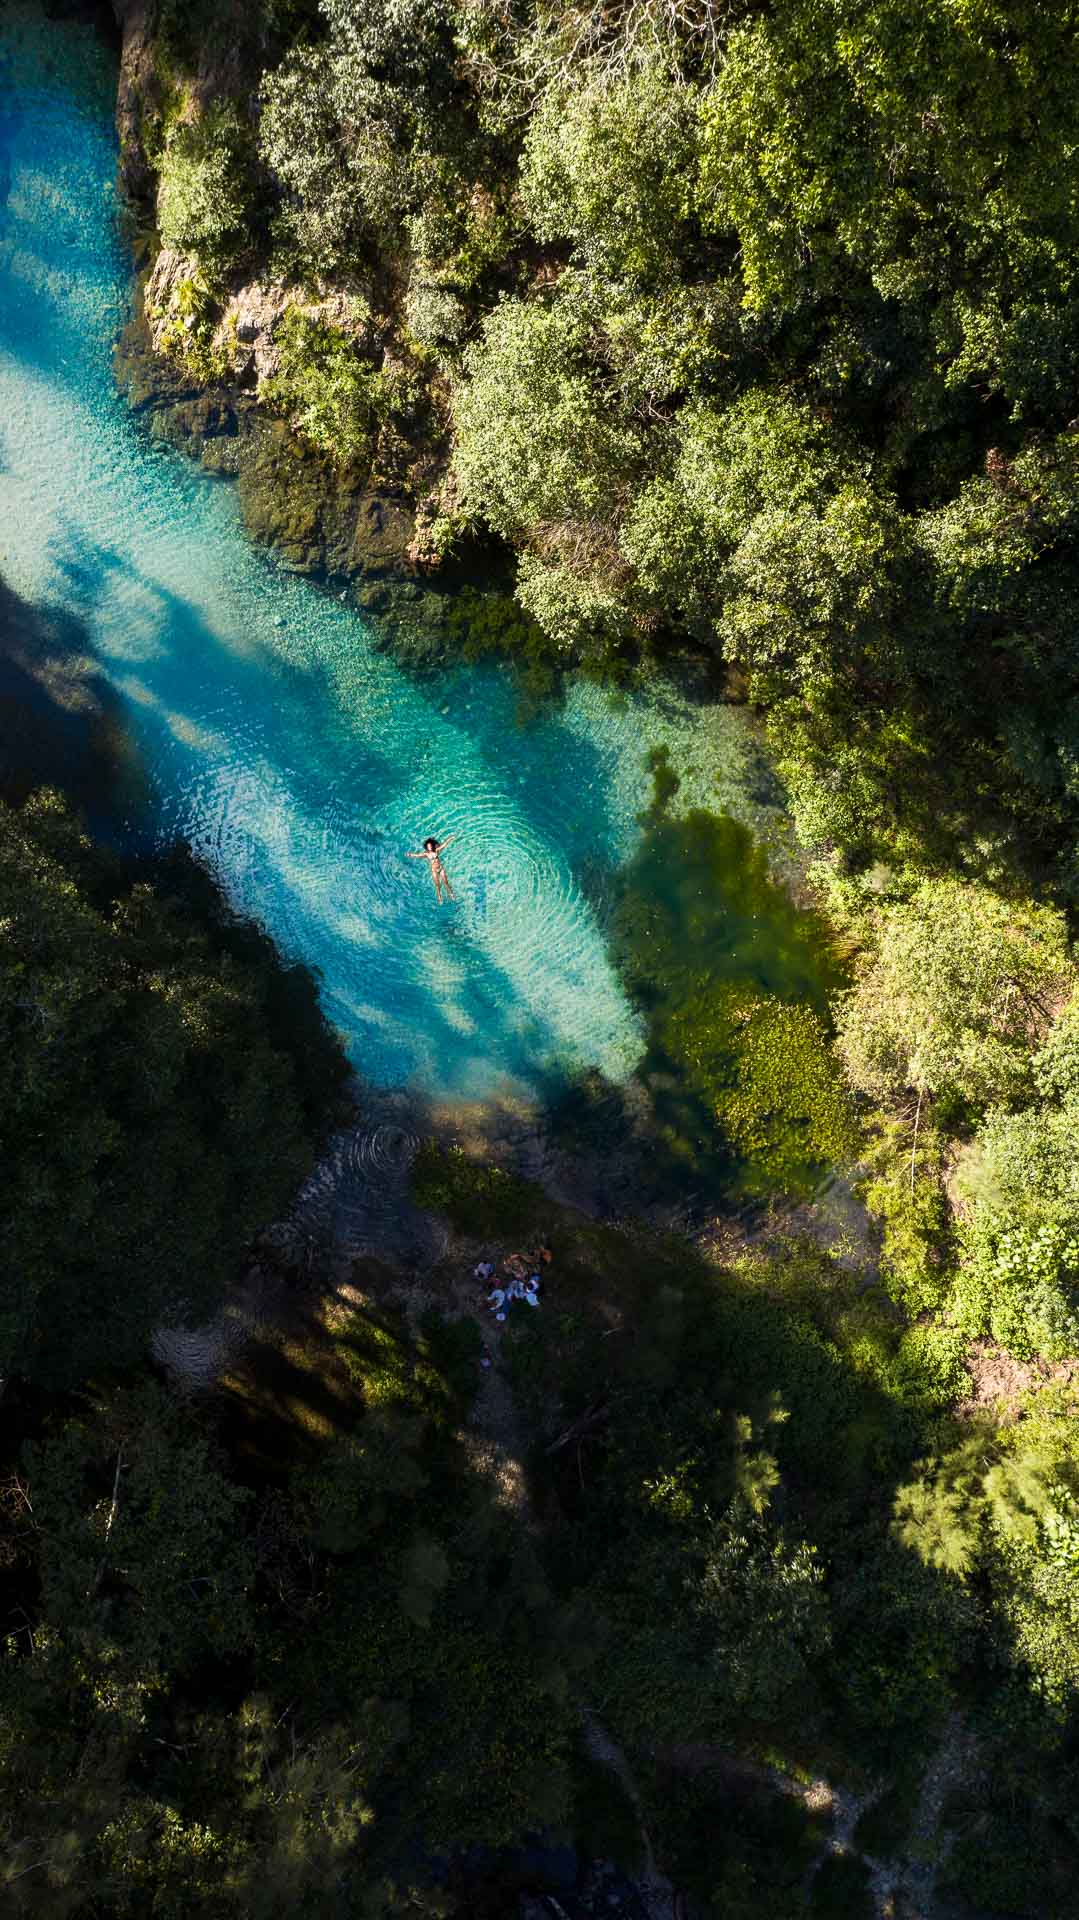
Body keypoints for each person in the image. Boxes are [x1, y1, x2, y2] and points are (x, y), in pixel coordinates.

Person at [407, 834, 455, 903]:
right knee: (437, 885)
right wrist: (410, 855)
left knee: (446, 882)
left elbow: (444, 845)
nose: (429, 847)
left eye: (430, 846)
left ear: (432, 845)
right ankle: (439, 897)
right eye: (428, 846)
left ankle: (450, 894)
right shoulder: (426, 854)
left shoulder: (436, 850)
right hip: (434, 871)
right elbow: (418, 855)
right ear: (426, 847)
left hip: (441, 869)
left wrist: (450, 838)